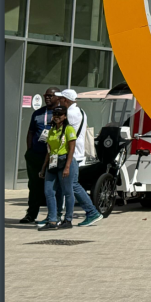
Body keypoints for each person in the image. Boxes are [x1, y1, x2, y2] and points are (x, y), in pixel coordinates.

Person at [48, 89, 101, 229]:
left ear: (66, 100)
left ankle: (91, 212)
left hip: (70, 155)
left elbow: (60, 129)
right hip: (76, 153)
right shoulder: (81, 111)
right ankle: (56, 216)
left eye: (61, 99)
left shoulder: (69, 114)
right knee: (68, 185)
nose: (58, 101)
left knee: (72, 186)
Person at [20, 95, 54, 224]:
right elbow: (31, 132)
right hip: (36, 155)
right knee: (34, 185)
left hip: (52, 155)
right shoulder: (38, 113)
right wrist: (29, 150)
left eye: (51, 96)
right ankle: (31, 214)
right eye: (46, 96)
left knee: (51, 186)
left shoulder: (61, 113)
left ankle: (53, 216)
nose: (47, 98)